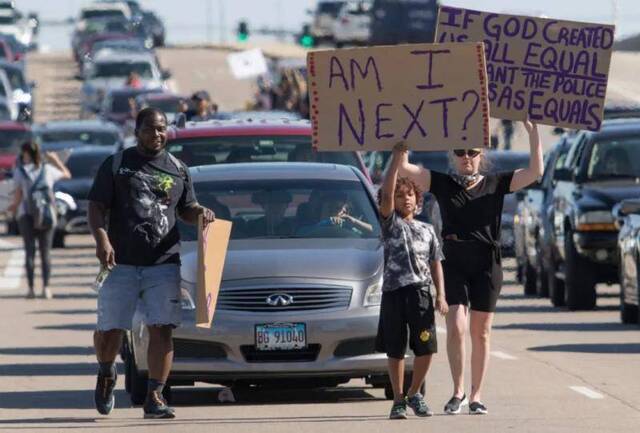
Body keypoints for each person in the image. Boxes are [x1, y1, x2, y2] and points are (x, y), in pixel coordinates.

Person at [397, 121, 543, 415]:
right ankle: (458, 391)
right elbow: (404, 169)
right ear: (453, 155)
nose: (466, 157)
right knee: (456, 327)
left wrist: (533, 132)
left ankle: (476, 395)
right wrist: (404, 133)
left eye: (472, 152)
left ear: (481, 155)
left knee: (482, 331)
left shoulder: (496, 183)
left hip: (487, 263)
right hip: (454, 260)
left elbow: (535, 172)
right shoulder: (442, 182)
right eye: (461, 152)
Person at [87, 107, 215, 419]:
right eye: (150, 129)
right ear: (137, 130)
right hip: (121, 264)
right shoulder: (117, 164)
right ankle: (106, 372)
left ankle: (154, 395)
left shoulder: (178, 168)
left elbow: (186, 208)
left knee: (163, 329)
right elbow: (96, 206)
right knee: (110, 331)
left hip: (163, 262)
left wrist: (200, 213)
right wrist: (102, 240)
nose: (156, 135)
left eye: (161, 129)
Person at [375, 143, 447, 420]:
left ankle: (414, 392)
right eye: (400, 195)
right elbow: (386, 195)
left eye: (410, 195)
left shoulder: (427, 230)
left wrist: (441, 295)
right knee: (395, 349)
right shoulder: (390, 224)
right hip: (394, 293)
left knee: (426, 347)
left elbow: (435, 263)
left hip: (420, 295)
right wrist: (396, 160)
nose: (405, 199)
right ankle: (398, 399)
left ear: (418, 202)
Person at [8, 142, 71, 299]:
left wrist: (12, 210)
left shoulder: (20, 172)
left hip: (26, 215)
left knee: (29, 252)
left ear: (26, 153)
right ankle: (46, 288)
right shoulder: (48, 169)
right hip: (47, 215)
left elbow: (18, 196)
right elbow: (67, 174)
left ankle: (31, 289)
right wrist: (55, 159)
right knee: (45, 253)